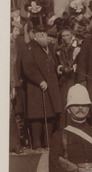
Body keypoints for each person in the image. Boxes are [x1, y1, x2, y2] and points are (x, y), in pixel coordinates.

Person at [20, 15, 63, 148]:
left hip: (51, 87)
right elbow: (28, 68)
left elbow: (55, 63)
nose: (42, 36)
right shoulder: (29, 48)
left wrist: (59, 68)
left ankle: (48, 143)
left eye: (44, 34)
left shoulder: (50, 47)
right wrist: (39, 81)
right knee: (37, 117)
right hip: (37, 88)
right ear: (34, 35)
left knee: (50, 115)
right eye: (39, 34)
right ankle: (37, 145)